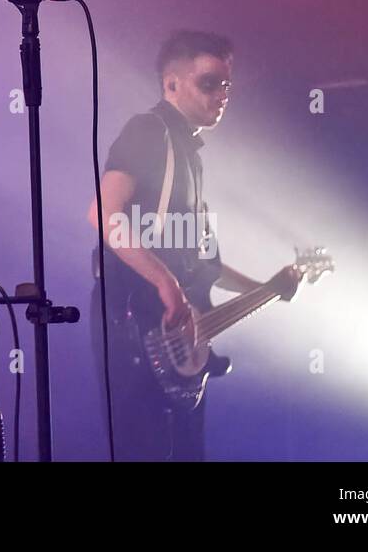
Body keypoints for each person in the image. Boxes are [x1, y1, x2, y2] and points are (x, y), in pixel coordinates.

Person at [87, 31, 295, 460]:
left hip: (179, 344)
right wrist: (165, 283)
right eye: (209, 83)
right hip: (136, 321)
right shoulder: (149, 130)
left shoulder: (190, 155)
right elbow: (103, 213)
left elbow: (203, 264)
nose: (222, 95)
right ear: (172, 85)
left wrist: (269, 287)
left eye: (226, 85)